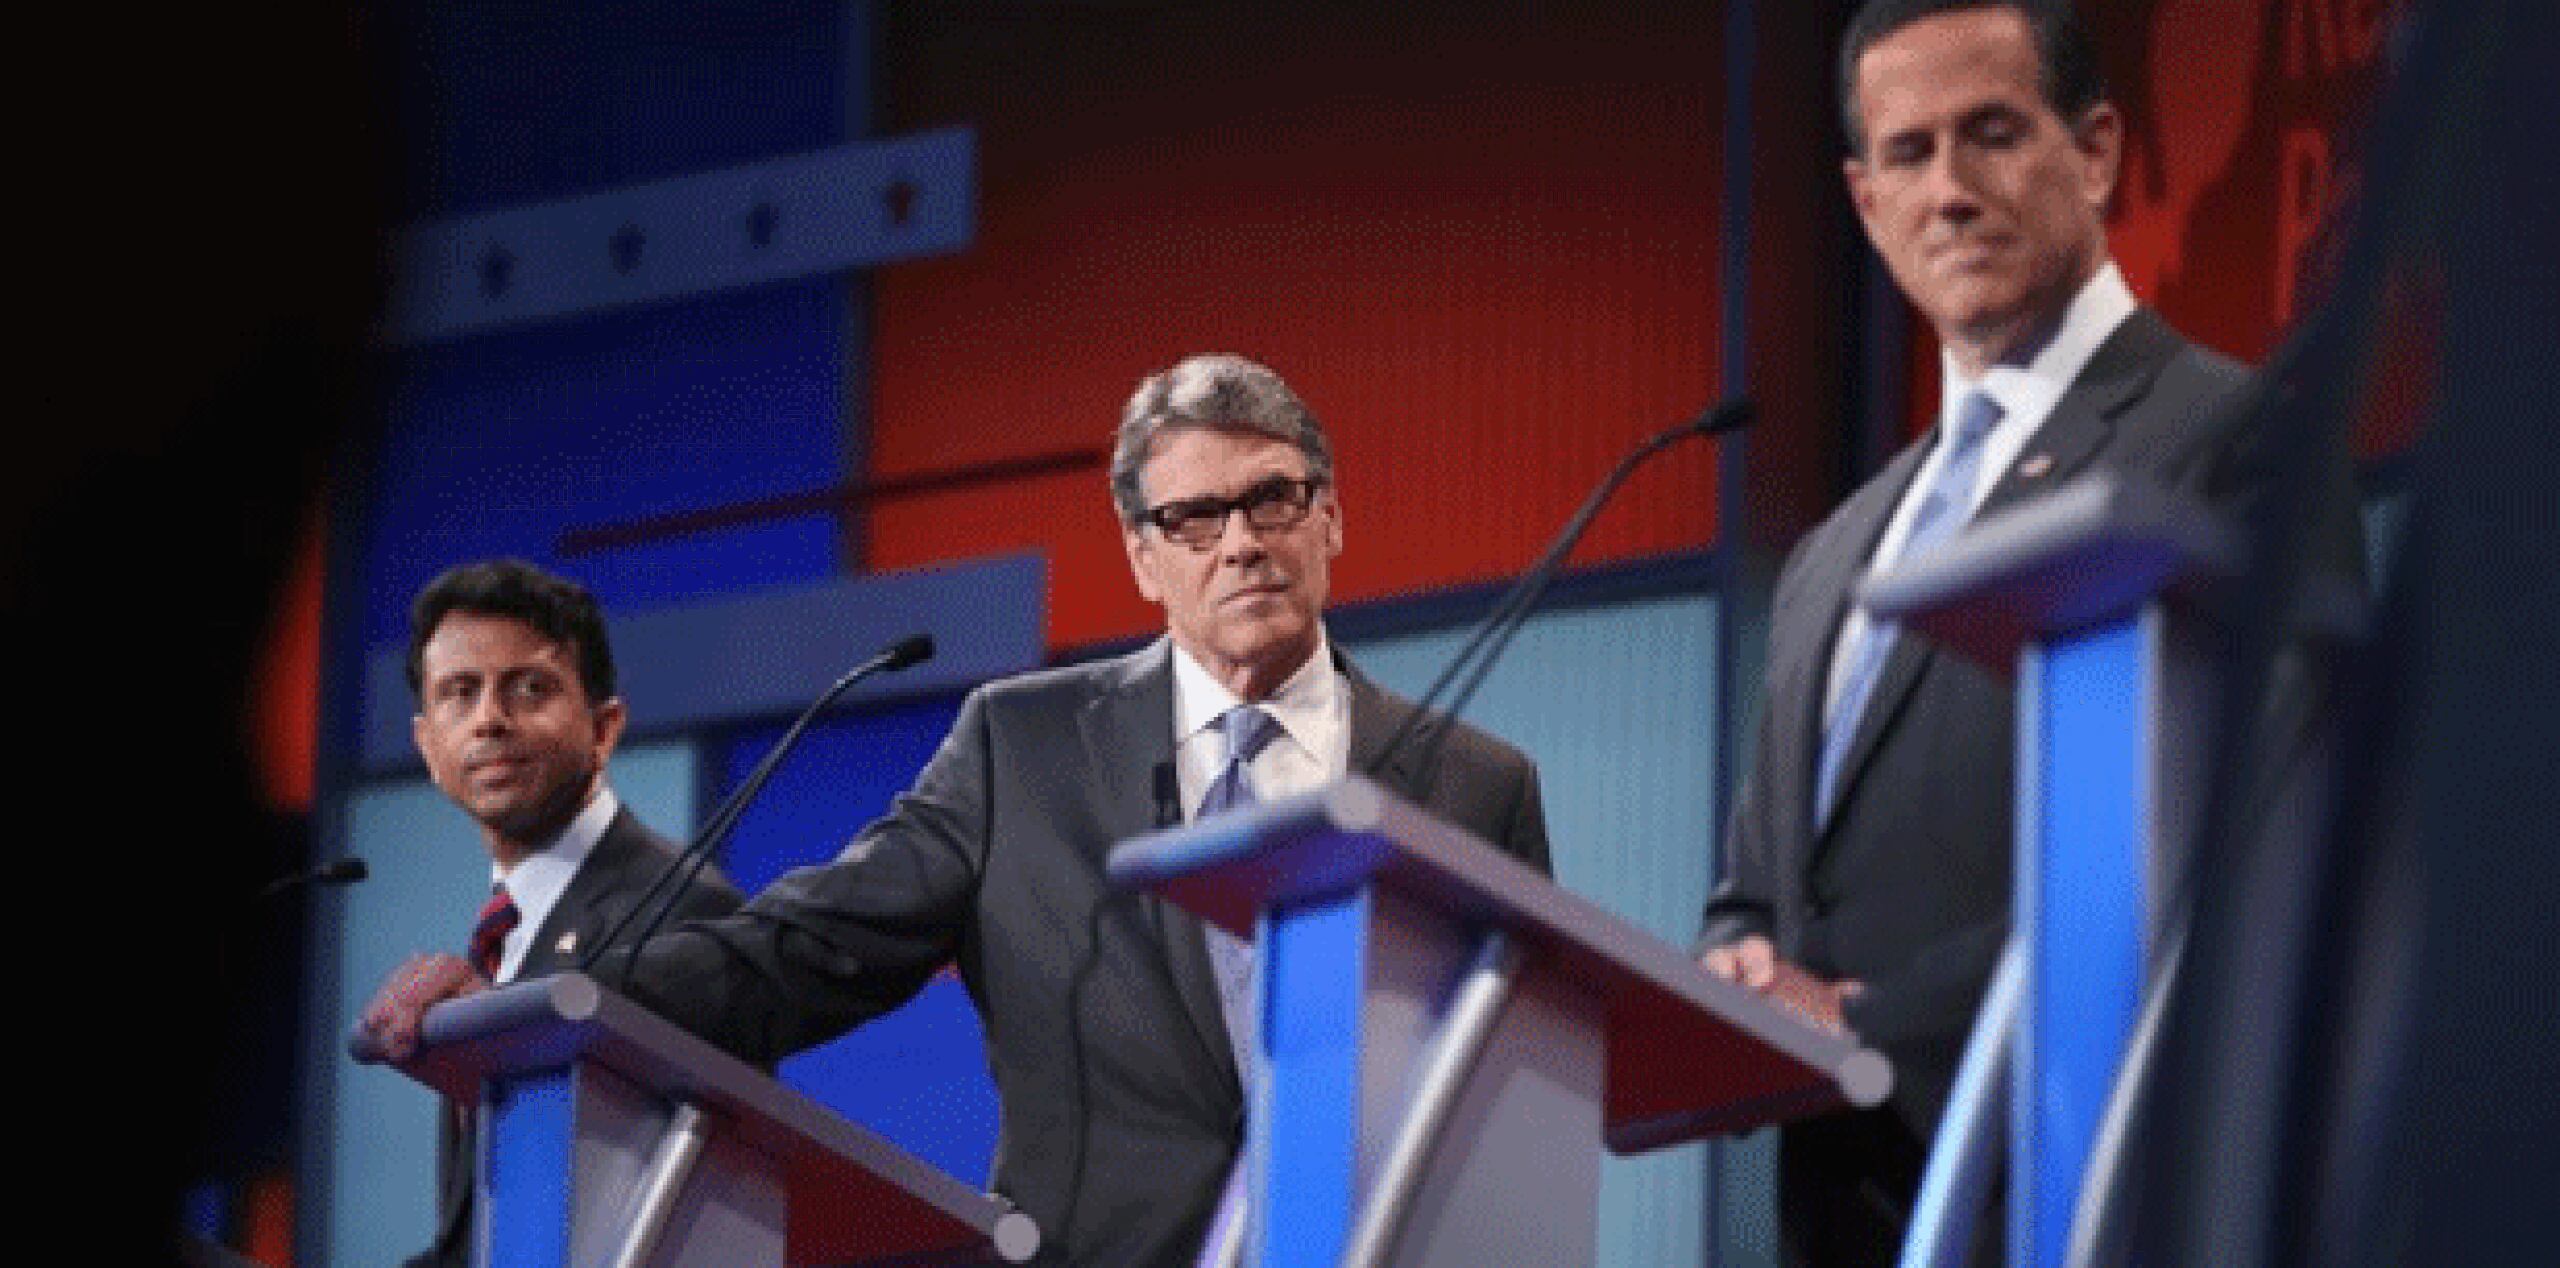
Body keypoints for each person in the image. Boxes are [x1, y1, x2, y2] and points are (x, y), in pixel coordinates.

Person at [360, 355, 1553, 1265]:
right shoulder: (1022, 746)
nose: (1240, 541)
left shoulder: (1471, 780)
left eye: (1272, 499)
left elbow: (1523, 1082)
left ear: (1330, 517)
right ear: (1142, 554)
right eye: (1194, 517)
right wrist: (538, 1006)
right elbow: (796, 950)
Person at [1696, 2, 2362, 1263]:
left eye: (1990, 134)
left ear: (2098, 151)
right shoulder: (1834, 554)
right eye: (1906, 153)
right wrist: (1727, 976)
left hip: (2097, 1192)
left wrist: (1869, 1016)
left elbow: (2249, 846)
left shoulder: (2235, 439)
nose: (1946, 190)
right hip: (1839, 1220)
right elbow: (1755, 895)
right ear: (1863, 198)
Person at [385, 559, 743, 1268]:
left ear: (604, 729)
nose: (489, 718)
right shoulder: (500, 929)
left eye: (529, 688)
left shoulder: (683, 907)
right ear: (429, 747)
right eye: (460, 692)